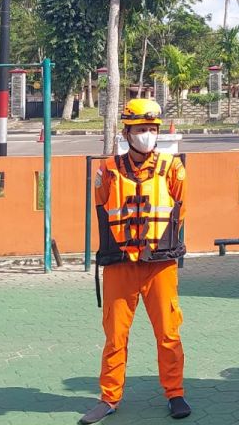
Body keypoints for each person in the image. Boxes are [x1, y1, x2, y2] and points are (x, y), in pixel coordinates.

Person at [82, 98, 190, 424]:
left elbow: (180, 210)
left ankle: (175, 393)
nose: (146, 135)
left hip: (160, 264)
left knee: (169, 333)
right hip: (120, 265)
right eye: (140, 129)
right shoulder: (108, 169)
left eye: (151, 129)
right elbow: (101, 205)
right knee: (115, 335)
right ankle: (109, 397)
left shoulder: (173, 168)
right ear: (127, 133)